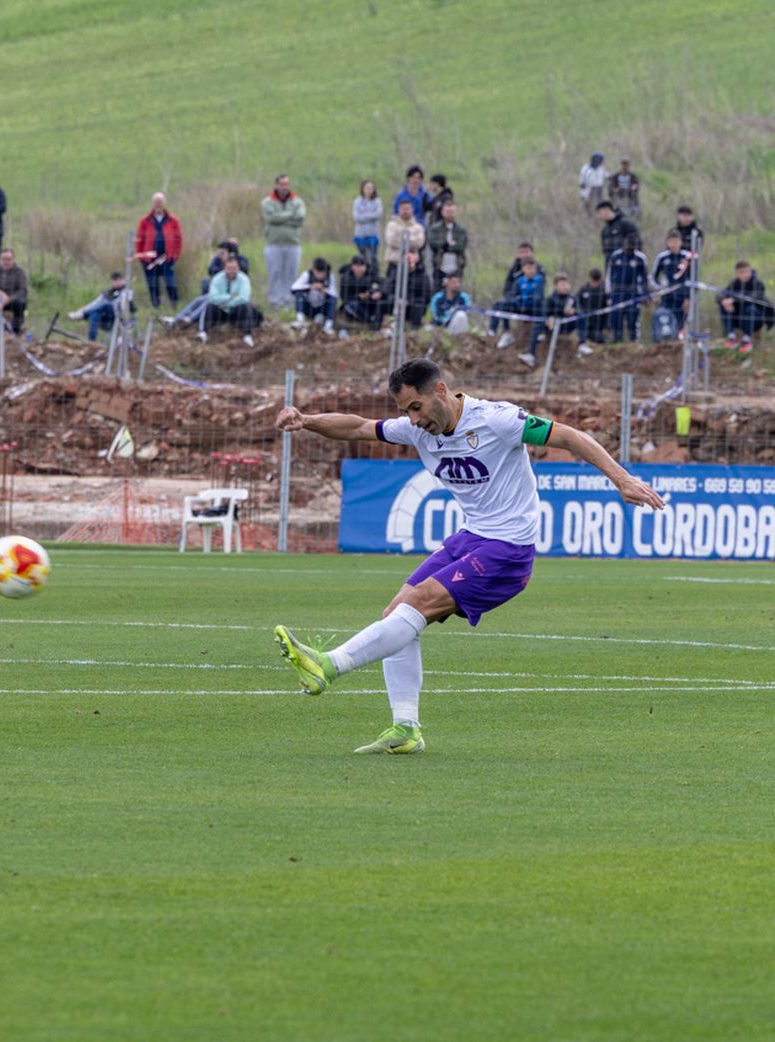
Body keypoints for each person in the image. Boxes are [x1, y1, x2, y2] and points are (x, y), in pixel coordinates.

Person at [272, 358, 664, 755]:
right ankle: (406, 729)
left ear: (439, 391)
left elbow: (570, 436)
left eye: (416, 407)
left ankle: (329, 665)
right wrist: (306, 420)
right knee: (397, 616)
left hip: (509, 548)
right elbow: (358, 427)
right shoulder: (418, 430)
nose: (412, 419)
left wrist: (623, 479)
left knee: (420, 601)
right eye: (404, 411)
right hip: (472, 537)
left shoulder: (497, 419)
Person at [261, 174, 306, 308]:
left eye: (287, 184)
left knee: (291, 273)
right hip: (274, 244)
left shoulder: (297, 202)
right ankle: (275, 301)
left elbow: (300, 218)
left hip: (293, 243)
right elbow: (271, 219)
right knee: (275, 273)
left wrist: (281, 218)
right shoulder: (267, 202)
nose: (284, 187)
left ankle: (289, 302)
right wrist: (289, 215)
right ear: (276, 185)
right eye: (282, 184)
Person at [133, 193, 182, 309]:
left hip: (167, 257)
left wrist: (175, 255)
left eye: (160, 202)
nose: (158, 205)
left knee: (171, 283)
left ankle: (175, 307)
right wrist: (141, 257)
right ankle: (156, 308)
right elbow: (139, 240)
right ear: (152, 204)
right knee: (153, 285)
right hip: (149, 258)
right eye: (156, 203)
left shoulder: (172, 220)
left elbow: (178, 239)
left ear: (164, 204)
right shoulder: (145, 221)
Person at [490, 257, 545, 358]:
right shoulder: (519, 281)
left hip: (533, 308)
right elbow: (512, 295)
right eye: (528, 268)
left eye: (533, 268)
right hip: (520, 306)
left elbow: (538, 296)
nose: (531, 271)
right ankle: (498, 331)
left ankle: (541, 332)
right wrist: (517, 300)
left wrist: (523, 298)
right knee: (499, 305)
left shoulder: (539, 280)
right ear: (523, 269)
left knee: (541, 306)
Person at [205, 256, 259, 345]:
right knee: (209, 306)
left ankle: (247, 335)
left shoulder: (244, 279)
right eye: (229, 268)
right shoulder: (217, 279)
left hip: (236, 310)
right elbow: (212, 298)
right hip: (221, 311)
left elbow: (244, 298)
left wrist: (227, 304)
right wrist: (229, 297)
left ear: (238, 268)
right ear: (224, 268)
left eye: (234, 268)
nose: (231, 271)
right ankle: (205, 333)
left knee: (246, 306)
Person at [604, 234, 649, 342]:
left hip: (633, 294)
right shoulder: (615, 256)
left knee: (632, 320)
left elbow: (644, 279)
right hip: (617, 293)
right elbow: (609, 276)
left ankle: (634, 343)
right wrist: (608, 294)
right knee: (616, 320)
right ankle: (617, 342)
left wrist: (644, 294)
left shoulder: (640, 258)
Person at [68, 272, 134, 342]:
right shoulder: (107, 292)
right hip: (106, 316)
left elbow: (126, 304)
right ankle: (92, 340)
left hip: (117, 313)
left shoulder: (127, 291)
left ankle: (83, 315)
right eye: (114, 281)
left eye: (118, 280)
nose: (116, 282)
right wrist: (85, 308)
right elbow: (95, 303)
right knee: (95, 314)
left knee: (106, 304)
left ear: (122, 280)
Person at [652, 229, 693, 339]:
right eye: (671, 241)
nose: (674, 244)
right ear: (667, 242)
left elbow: (693, 278)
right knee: (667, 320)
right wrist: (659, 289)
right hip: (667, 297)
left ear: (681, 242)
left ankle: (681, 343)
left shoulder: (687, 257)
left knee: (682, 322)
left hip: (683, 297)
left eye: (676, 241)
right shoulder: (662, 257)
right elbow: (653, 277)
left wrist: (688, 297)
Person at [719, 261, 767, 354]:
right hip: (738, 318)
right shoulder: (733, 283)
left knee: (751, 309)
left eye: (747, 271)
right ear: (737, 273)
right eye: (741, 272)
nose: (745, 274)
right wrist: (724, 301)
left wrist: (733, 300)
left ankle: (746, 340)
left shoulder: (757, 283)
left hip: (756, 319)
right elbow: (721, 294)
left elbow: (753, 297)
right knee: (724, 305)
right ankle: (732, 338)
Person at [528, 273, 576, 363]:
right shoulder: (550, 298)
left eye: (566, 284)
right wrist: (548, 318)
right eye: (562, 284)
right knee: (538, 325)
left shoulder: (572, 298)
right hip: (552, 325)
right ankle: (531, 354)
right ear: (556, 286)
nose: (565, 286)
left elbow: (581, 311)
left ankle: (582, 344)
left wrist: (574, 312)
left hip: (568, 324)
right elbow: (544, 312)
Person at [384, 248, 433, 333]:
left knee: (418, 305)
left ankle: (415, 329)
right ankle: (394, 324)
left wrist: (410, 300)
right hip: (399, 304)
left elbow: (426, 295)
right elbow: (388, 288)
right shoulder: (396, 273)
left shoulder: (423, 275)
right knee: (392, 301)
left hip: (415, 306)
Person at [339, 256, 390, 334]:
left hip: (370, 302)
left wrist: (378, 292)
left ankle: (377, 323)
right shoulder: (346, 277)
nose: (360, 269)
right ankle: (370, 322)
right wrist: (358, 297)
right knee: (351, 306)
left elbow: (384, 284)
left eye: (362, 266)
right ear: (352, 266)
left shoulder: (371, 274)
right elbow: (344, 297)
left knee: (382, 301)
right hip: (354, 304)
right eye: (357, 266)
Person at [291, 257, 338, 335]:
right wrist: (310, 287)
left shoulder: (330, 277)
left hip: (322, 307)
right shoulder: (306, 275)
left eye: (322, 273)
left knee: (332, 300)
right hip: (308, 306)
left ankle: (328, 326)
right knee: (299, 295)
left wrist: (325, 291)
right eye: (317, 272)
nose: (320, 275)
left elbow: (335, 294)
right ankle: (300, 321)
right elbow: (294, 288)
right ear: (313, 269)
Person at [425, 200, 467, 286]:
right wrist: (447, 245)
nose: (449, 213)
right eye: (447, 211)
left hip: (456, 268)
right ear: (442, 212)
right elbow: (433, 243)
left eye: (451, 211)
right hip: (439, 267)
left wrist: (445, 246)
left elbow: (461, 245)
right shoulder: (435, 229)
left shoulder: (460, 230)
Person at [0, 248, 28, 334]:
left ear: (13, 260)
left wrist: (8, 299)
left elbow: (23, 290)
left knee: (21, 302)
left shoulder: (20, 272)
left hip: (12, 300)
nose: (6, 262)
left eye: (9, 259)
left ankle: (16, 329)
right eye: (3, 259)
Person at [383, 199, 425, 265]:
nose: (405, 211)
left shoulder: (418, 227)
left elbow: (418, 243)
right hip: (395, 261)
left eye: (407, 209)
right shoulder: (392, 225)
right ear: (399, 210)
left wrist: (402, 239)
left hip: (412, 263)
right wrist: (410, 240)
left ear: (412, 210)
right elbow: (391, 241)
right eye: (403, 209)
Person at [575, 268, 606, 354]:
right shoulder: (583, 290)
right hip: (585, 324)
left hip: (599, 325)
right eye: (593, 280)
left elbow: (607, 309)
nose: (595, 283)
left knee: (599, 343)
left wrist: (607, 326)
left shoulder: (603, 291)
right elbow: (576, 303)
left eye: (597, 280)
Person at [352, 180, 382, 264]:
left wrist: (364, 216)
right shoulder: (357, 201)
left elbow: (378, 215)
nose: (369, 190)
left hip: (373, 234)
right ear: (362, 189)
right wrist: (370, 216)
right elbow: (356, 217)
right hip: (360, 235)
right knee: (362, 257)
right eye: (367, 188)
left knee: (373, 258)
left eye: (371, 188)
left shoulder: (377, 201)